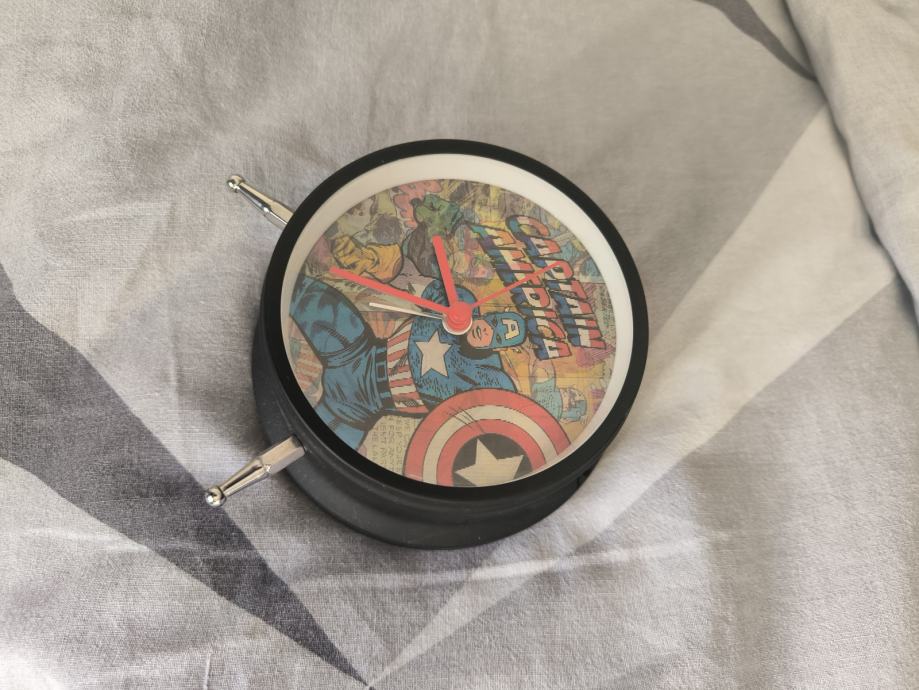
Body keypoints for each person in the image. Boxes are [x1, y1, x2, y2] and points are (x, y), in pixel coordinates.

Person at [289, 273, 525, 450]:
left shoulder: (488, 377)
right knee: (301, 293)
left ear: (500, 348)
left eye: (497, 337)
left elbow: (505, 424)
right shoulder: (459, 301)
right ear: (492, 314)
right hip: (356, 350)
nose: (487, 331)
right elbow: (410, 284)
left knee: (316, 447)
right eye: (494, 322)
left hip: (357, 408)